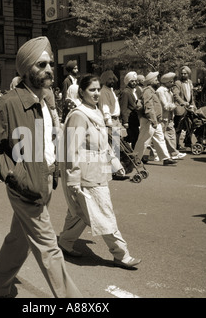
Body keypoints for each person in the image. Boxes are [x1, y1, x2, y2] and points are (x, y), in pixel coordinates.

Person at [0, 36, 82, 298]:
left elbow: (40, 144)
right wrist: (14, 174)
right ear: (25, 69)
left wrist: (51, 168)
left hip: (42, 180)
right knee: (49, 248)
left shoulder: (43, 99)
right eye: (40, 64)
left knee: (18, 241)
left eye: (50, 64)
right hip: (25, 187)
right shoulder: (9, 102)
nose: (48, 69)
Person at [57, 74, 141, 269]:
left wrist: (114, 162)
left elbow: (103, 143)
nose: (96, 93)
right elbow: (72, 151)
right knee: (103, 211)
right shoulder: (79, 115)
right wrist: (74, 180)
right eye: (91, 90)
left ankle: (65, 242)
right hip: (86, 174)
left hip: (98, 170)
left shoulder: (94, 111)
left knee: (79, 211)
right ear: (81, 92)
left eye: (97, 89)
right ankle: (121, 254)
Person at [134, 72, 177, 166]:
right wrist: (153, 120)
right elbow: (149, 107)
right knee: (144, 140)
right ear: (151, 81)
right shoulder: (147, 91)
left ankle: (165, 158)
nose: (158, 81)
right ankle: (135, 158)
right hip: (149, 120)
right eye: (156, 80)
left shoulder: (151, 91)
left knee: (160, 138)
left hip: (154, 120)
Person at [156, 72, 186, 160]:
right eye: (171, 82)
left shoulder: (169, 91)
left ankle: (174, 153)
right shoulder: (160, 91)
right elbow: (165, 106)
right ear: (166, 82)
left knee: (171, 135)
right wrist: (176, 106)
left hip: (169, 117)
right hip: (163, 117)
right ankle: (155, 154)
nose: (172, 83)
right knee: (161, 137)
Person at [172, 66, 196, 150]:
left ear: (188, 74)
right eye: (182, 73)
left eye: (185, 73)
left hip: (189, 107)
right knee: (178, 127)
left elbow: (192, 96)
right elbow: (176, 95)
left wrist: (193, 105)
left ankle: (188, 142)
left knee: (192, 124)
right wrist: (183, 103)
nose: (183, 75)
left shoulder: (190, 82)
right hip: (180, 107)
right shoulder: (178, 83)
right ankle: (176, 144)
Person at [120, 71, 142, 148]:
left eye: (135, 81)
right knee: (134, 137)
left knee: (136, 137)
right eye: (132, 81)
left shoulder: (137, 90)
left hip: (137, 118)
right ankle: (134, 156)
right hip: (130, 119)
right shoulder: (125, 92)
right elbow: (123, 107)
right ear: (128, 82)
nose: (134, 83)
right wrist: (125, 121)